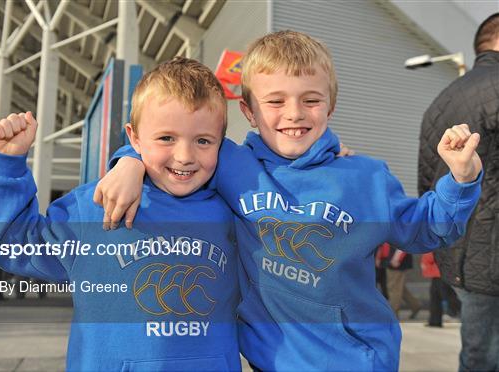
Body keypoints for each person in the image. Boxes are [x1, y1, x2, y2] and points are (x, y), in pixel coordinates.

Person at [95, 30, 483, 370]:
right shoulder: (231, 165)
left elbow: (430, 228)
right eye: (275, 102)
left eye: (311, 100)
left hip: (358, 361)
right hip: (270, 362)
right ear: (248, 111)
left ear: (330, 106)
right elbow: (175, 143)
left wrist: (461, 179)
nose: (294, 114)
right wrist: (129, 162)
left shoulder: (365, 177)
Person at [0, 58, 241, 371]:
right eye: (166, 138)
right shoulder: (98, 204)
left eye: (203, 141)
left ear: (221, 144)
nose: (184, 156)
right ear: (134, 137)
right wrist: (7, 166)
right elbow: (17, 246)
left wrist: (130, 161)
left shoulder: (235, 210)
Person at [418, 13, 499, 370]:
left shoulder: (441, 100)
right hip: (491, 253)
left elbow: (426, 182)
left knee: (477, 353)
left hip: (459, 254)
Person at [421, 252, 460, 328]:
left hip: (440, 271)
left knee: (445, 296)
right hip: (437, 272)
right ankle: (435, 321)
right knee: (436, 297)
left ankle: (460, 311)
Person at [382, 242, 420, 319]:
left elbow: (403, 243)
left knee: (394, 289)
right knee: (399, 288)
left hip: (395, 262)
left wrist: (396, 259)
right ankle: (415, 305)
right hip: (394, 260)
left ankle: (393, 314)